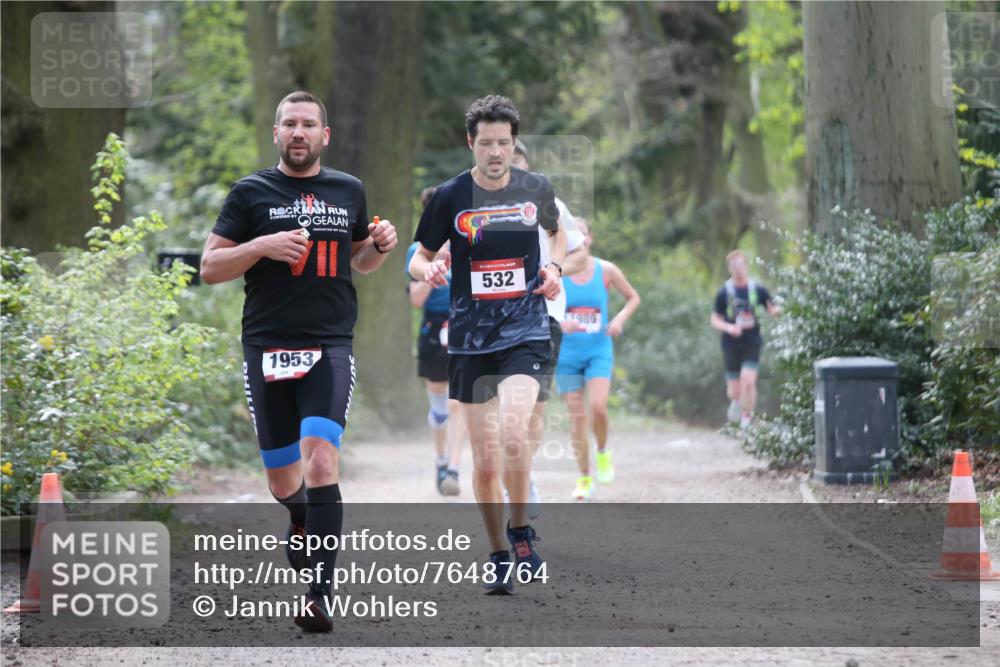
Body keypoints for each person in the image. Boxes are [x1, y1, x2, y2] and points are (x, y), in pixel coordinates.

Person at [200, 91, 398, 632]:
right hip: (265, 346)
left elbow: (359, 259)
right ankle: (298, 516)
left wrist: (379, 245)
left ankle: (319, 594)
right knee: (283, 481)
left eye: (308, 124)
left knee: (322, 463)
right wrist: (261, 246)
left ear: (324, 136)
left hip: (329, 344)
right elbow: (211, 266)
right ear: (276, 132)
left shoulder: (348, 189)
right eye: (289, 123)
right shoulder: (250, 193)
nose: (299, 132)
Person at [409, 95, 566, 595]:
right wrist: (427, 269)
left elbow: (557, 234)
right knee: (485, 460)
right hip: (471, 341)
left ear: (514, 142)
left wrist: (555, 268)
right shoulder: (450, 196)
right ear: (470, 142)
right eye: (486, 143)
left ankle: (521, 532)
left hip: (525, 329)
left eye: (504, 142)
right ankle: (498, 551)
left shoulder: (535, 187)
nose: (495, 152)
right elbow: (419, 256)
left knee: (516, 436)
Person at [509, 140, 588, 517]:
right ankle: (512, 475)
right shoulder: (476, 207)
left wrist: (554, 271)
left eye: (520, 167)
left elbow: (580, 253)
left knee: (533, 413)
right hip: (488, 321)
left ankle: (524, 476)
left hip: (543, 315)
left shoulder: (550, 206)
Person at [555, 219, 640, 501]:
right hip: (567, 353)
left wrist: (618, 320)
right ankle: (584, 478)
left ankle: (603, 452)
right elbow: (541, 306)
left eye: (583, 234)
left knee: (599, 407)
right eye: (572, 235)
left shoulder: (605, 270)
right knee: (577, 418)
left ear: (589, 238)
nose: (578, 239)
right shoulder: (557, 271)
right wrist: (560, 321)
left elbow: (633, 298)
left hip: (598, 349)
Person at [405, 186, 465, 495]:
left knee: (459, 404)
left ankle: (453, 469)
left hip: (463, 328)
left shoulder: (466, 243)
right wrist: (433, 269)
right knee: (441, 407)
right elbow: (415, 299)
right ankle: (441, 459)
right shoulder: (418, 252)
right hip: (433, 330)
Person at [709, 250, 779, 429]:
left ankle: (747, 418)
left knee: (748, 380)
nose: (738, 269)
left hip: (752, 340)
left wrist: (776, 312)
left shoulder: (757, 289)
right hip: (730, 343)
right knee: (734, 390)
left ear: (746, 266)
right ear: (729, 269)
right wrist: (729, 327)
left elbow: (772, 308)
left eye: (741, 265)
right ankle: (736, 402)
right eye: (734, 266)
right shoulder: (724, 292)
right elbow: (715, 319)